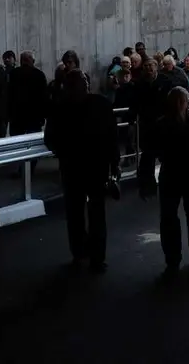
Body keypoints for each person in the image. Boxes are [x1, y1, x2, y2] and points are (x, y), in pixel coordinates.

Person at [139, 87, 189, 279]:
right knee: (177, 218)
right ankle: (182, 258)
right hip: (179, 177)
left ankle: (188, 258)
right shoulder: (169, 125)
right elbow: (148, 155)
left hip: (185, 177)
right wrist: (146, 181)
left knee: (188, 217)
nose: (180, 105)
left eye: (180, 101)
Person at [48, 69, 119, 273]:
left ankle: (79, 253)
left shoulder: (60, 108)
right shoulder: (102, 104)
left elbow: (50, 139)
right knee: (97, 212)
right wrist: (115, 165)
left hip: (72, 167)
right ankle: (97, 257)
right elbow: (112, 138)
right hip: (97, 167)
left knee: (75, 213)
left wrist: (63, 152)